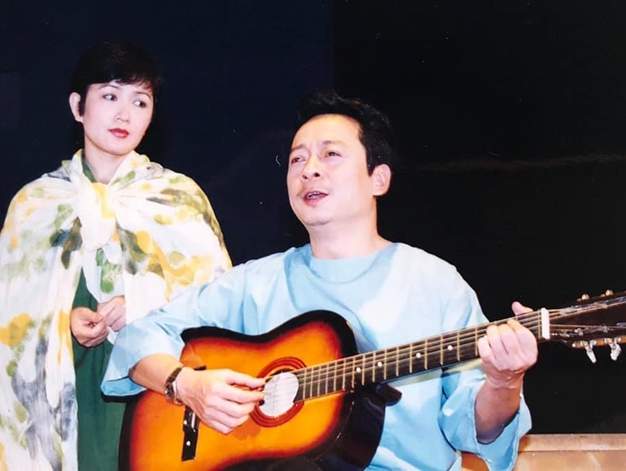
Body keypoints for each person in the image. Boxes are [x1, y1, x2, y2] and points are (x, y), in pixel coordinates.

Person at [102, 91, 538, 470]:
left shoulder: (435, 284)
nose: (309, 169)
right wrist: (188, 385)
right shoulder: (256, 283)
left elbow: (478, 429)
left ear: (379, 179)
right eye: (297, 159)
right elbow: (139, 337)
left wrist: (504, 382)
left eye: (330, 155)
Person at [0, 41, 231, 471]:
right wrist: (65, 319)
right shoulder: (35, 203)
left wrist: (142, 304)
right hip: (65, 384)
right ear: (78, 106)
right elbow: (8, 326)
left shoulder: (179, 198)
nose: (124, 114)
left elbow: (218, 300)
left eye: (140, 101)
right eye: (110, 96)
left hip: (157, 389)